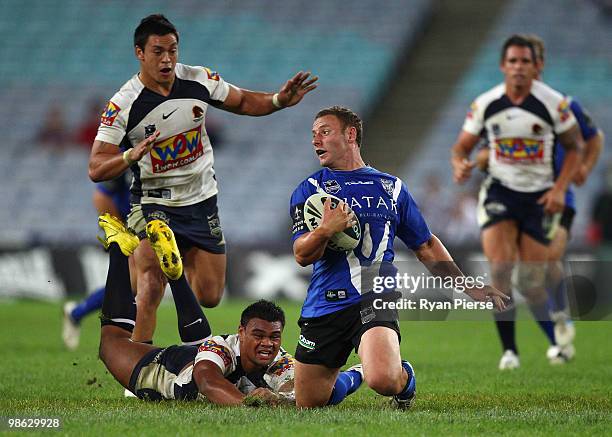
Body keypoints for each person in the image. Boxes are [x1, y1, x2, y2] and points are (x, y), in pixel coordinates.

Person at [88, 14, 318, 344]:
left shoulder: (199, 80)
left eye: (172, 50)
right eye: (157, 51)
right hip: (153, 202)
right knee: (151, 283)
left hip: (201, 202)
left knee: (210, 295)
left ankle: (177, 275)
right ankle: (136, 378)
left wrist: (280, 100)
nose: (167, 59)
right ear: (139, 53)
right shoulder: (123, 103)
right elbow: (96, 167)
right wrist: (129, 156)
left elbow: (242, 101)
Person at [289, 106, 507, 408]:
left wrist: (468, 286)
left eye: (324, 132)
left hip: (374, 295)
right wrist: (325, 230)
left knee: (384, 380)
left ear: (350, 135)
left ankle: (403, 381)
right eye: (313, 135)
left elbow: (426, 244)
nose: (316, 140)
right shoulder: (310, 190)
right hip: (324, 303)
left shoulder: (391, 188)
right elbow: (301, 254)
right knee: (309, 403)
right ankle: (356, 374)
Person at [97, 214, 363, 405]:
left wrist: (279, 398)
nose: (267, 344)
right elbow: (207, 381)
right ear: (241, 333)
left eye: (274, 337)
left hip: (201, 350)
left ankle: (177, 277)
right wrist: (247, 403)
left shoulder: (279, 360)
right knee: (111, 343)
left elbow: (302, 392)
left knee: (203, 346)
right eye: (258, 335)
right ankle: (120, 249)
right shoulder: (223, 347)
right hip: (164, 369)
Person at [451, 35, 584, 370]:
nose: (519, 68)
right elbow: (460, 148)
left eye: (525, 61)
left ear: (534, 66)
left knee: (531, 280)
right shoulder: (486, 104)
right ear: (503, 66)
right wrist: (460, 165)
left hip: (539, 198)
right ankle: (509, 351)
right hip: (499, 193)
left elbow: (576, 148)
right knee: (500, 269)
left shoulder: (554, 104)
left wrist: (559, 189)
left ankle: (556, 337)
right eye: (513, 61)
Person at [62, 172, 133, 350]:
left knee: (136, 283)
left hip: (150, 224)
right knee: (136, 283)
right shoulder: (129, 155)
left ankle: (76, 313)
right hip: (128, 226)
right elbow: (101, 196)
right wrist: (120, 231)